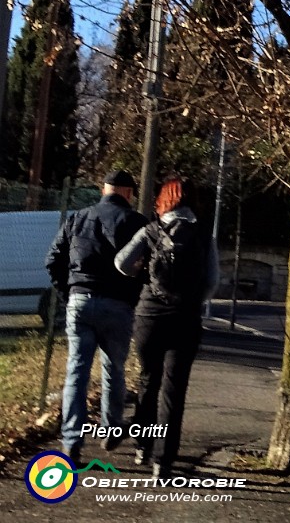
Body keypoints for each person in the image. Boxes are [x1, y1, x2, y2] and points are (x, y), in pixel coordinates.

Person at [116, 177, 219, 478]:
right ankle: (163, 460)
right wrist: (191, 300)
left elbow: (121, 263)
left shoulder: (150, 230)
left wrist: (141, 273)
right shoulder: (202, 235)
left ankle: (141, 446)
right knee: (174, 390)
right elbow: (213, 281)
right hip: (185, 318)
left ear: (163, 200)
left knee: (148, 381)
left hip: (149, 316)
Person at [46, 168, 146, 464]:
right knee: (113, 369)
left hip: (80, 301)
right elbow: (147, 269)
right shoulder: (137, 223)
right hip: (118, 306)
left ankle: (71, 442)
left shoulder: (77, 218)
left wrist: (70, 294)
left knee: (76, 372)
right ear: (128, 193)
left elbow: (53, 260)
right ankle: (112, 428)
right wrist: (132, 298)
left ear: (104, 189)